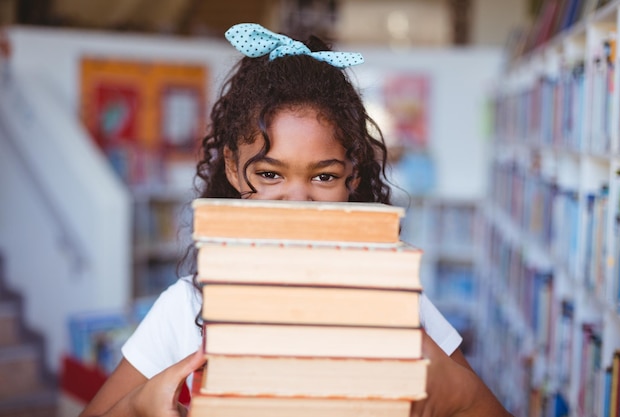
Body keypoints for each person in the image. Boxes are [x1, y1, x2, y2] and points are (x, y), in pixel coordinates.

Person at [79, 23, 513, 417]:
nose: (298, 201)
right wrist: (137, 407)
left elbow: (478, 405)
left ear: (352, 177)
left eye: (324, 176)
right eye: (269, 174)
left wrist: (458, 394)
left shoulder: (397, 304)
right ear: (232, 168)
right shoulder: (185, 308)